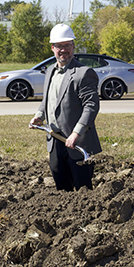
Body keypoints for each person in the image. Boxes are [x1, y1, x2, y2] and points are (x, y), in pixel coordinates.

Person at [29, 24, 102, 191]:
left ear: (73, 46)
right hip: (55, 138)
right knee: (60, 182)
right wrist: (39, 116)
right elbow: (47, 100)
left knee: (82, 186)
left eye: (67, 45)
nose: (63, 50)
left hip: (77, 142)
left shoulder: (83, 73)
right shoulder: (50, 71)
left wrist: (76, 133)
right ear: (52, 48)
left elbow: (91, 106)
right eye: (59, 46)